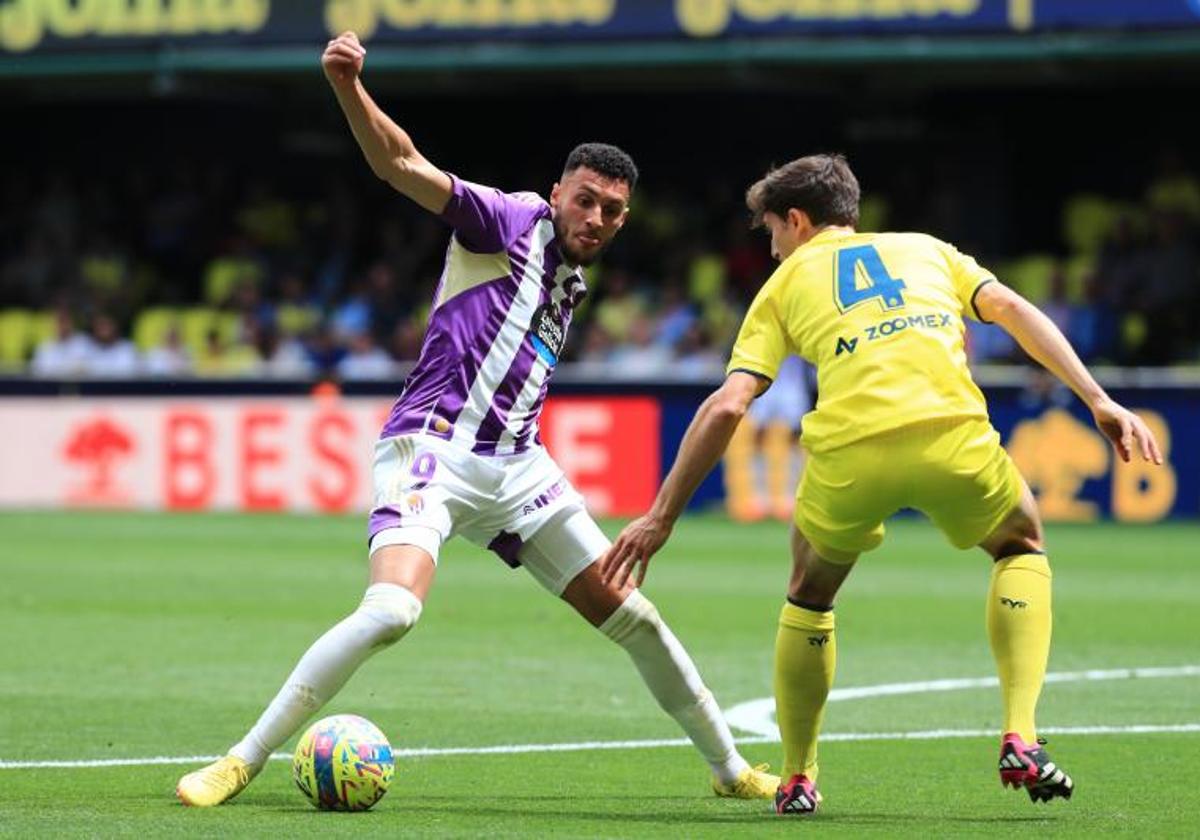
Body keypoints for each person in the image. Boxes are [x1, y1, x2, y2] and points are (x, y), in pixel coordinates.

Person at [176, 31, 778, 807]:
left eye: (612, 211)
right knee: (393, 610)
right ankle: (241, 760)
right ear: (558, 193)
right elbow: (401, 166)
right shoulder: (506, 220)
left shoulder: (571, 281)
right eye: (585, 200)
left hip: (518, 466)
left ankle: (732, 772)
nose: (595, 218)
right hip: (432, 449)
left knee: (639, 618)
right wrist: (347, 87)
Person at [600, 154, 1163, 815]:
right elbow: (1009, 306)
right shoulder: (927, 250)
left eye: (771, 232)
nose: (772, 247)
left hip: (850, 454)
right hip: (950, 436)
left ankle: (799, 777)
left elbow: (728, 406)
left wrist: (661, 516)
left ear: (798, 220)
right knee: (1020, 546)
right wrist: (1098, 398)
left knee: (809, 593)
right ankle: (1022, 733)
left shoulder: (780, 288)